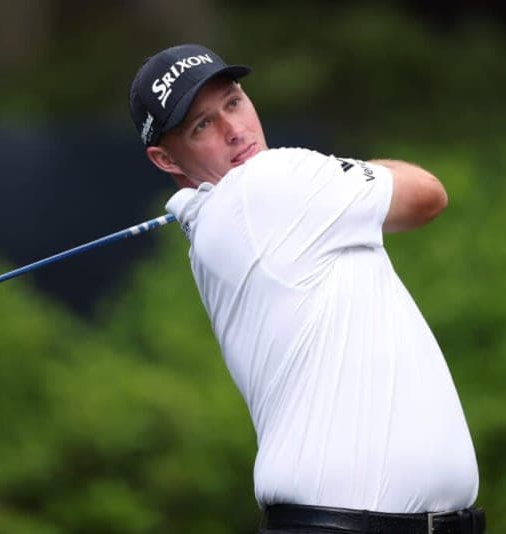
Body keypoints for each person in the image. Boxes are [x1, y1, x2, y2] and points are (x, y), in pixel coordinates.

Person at [129, 44, 485, 534]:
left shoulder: (225, 216)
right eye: (202, 125)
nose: (235, 130)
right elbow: (428, 194)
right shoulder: (269, 182)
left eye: (233, 102)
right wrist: (330, 175)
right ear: (165, 158)